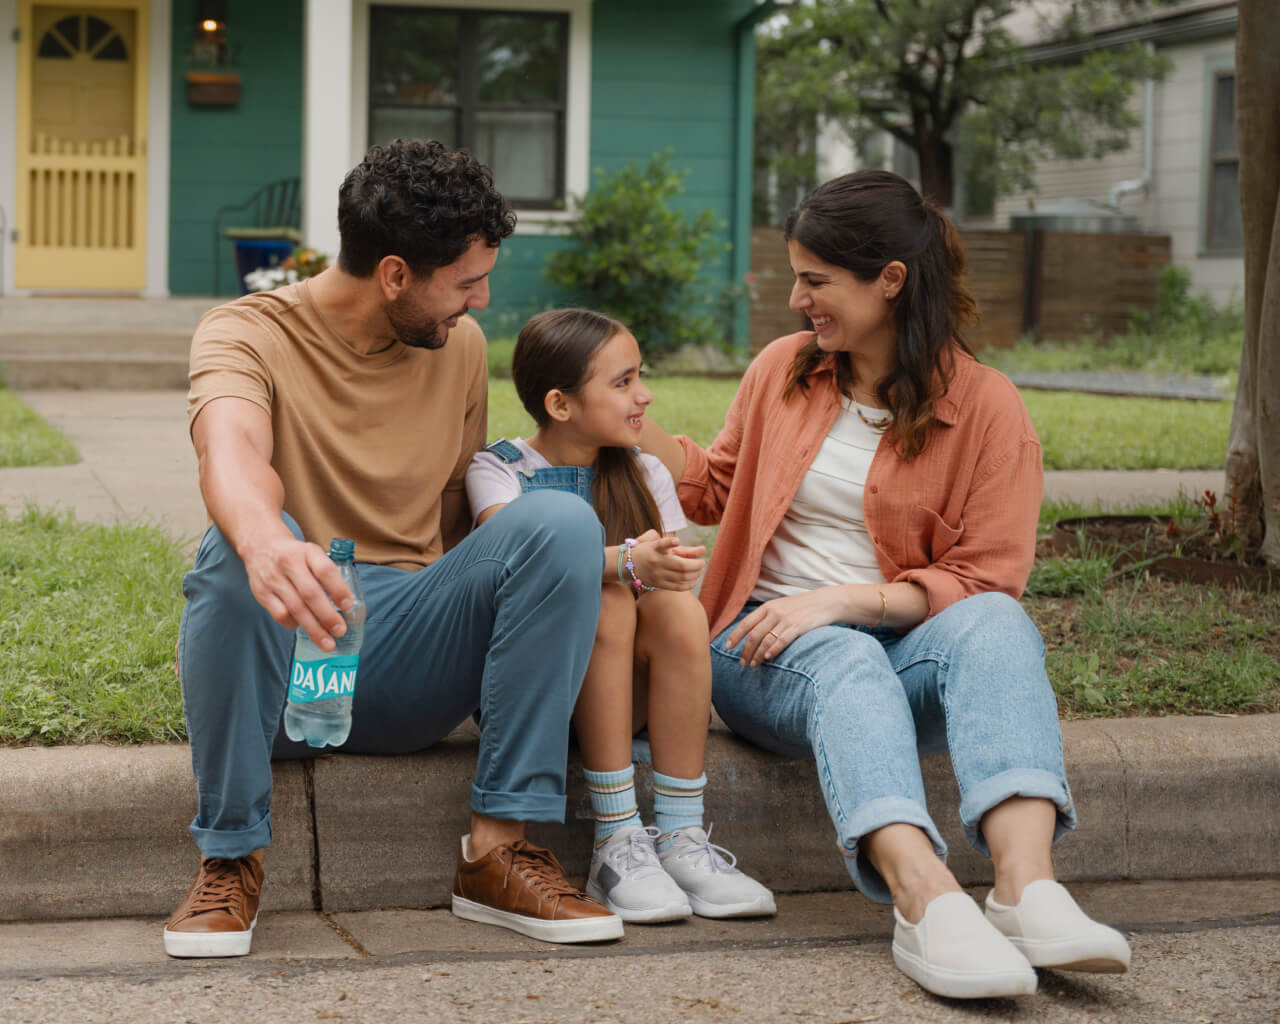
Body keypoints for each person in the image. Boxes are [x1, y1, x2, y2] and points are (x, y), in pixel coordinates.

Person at [640, 170, 1131, 999]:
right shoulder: (783, 371)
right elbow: (713, 487)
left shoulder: (987, 408)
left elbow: (984, 578)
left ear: (890, 282)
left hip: (898, 644)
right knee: (845, 661)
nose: (798, 299)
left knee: (1000, 625)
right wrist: (617, 405)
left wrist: (844, 599)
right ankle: (923, 898)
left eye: (816, 280)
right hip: (760, 645)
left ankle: (1026, 890)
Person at [166, 140, 624, 958]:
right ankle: (230, 857)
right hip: (287, 661)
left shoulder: (461, 351)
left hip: (407, 656)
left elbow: (464, 527)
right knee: (235, 548)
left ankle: (496, 853)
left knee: (557, 520)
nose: (479, 302)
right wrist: (269, 542)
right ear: (394, 274)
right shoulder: (245, 332)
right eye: (466, 282)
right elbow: (229, 454)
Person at [465, 308, 776, 923]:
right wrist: (629, 562)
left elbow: (679, 574)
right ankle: (616, 840)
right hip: (535, 696)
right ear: (560, 403)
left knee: (679, 611)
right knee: (605, 590)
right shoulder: (498, 469)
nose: (645, 395)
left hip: (628, 692)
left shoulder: (644, 470)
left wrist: (666, 569)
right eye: (624, 382)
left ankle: (681, 838)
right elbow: (512, 561)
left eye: (641, 377)